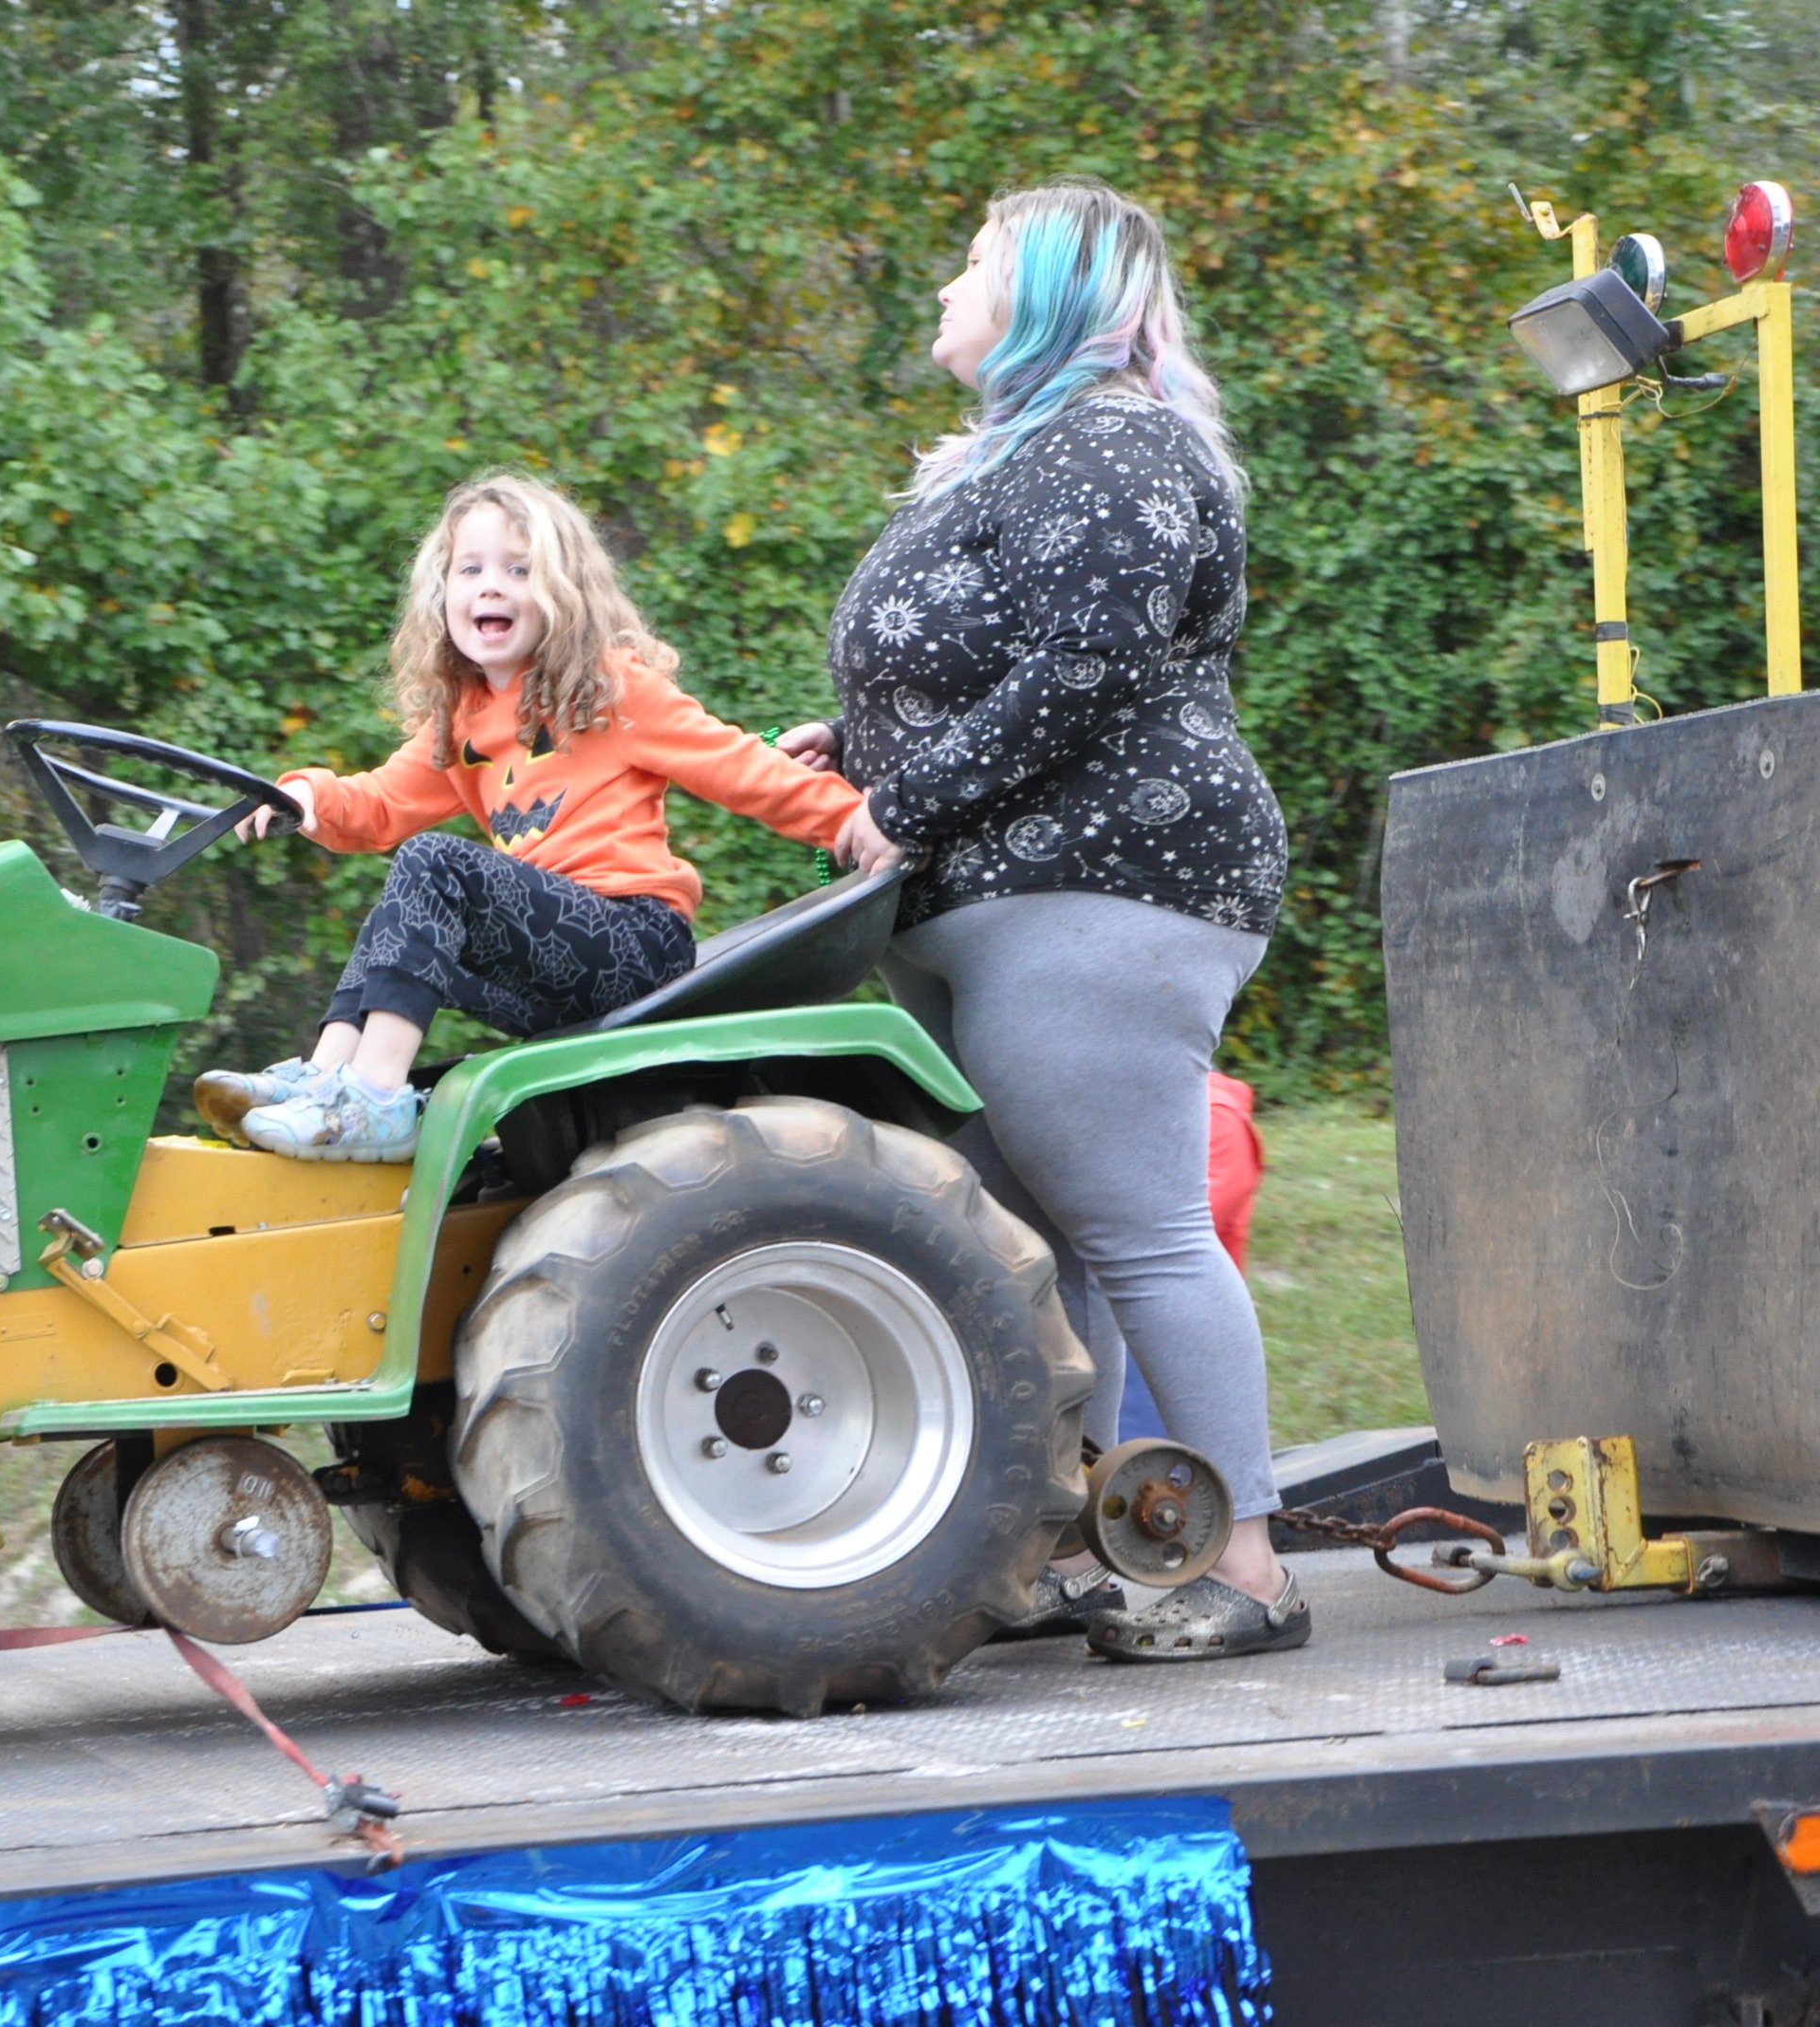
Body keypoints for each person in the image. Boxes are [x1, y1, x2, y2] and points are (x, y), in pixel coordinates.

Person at [779, 179, 1298, 1661]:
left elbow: (1093, 665)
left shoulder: (1117, 442)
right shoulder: (1029, 454)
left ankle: (1248, 1564)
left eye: (975, 262)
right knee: (1043, 1237)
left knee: (1135, 1228)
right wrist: (859, 738)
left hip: (1109, 881)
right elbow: (1010, 657)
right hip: (1003, 886)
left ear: (1053, 294)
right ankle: (1089, 1540)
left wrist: (912, 792)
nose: (947, 283)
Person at [196, 471, 896, 1162]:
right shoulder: (462, 721)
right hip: (548, 967)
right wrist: (307, 795)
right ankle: (327, 1080)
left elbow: (743, 768)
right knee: (397, 914)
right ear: (442, 597)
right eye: (469, 569)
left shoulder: (612, 688)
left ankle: (376, 1102)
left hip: (630, 940)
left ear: (565, 592)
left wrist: (856, 822)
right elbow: (379, 806)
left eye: (519, 569)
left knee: (435, 864)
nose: (491, 585)